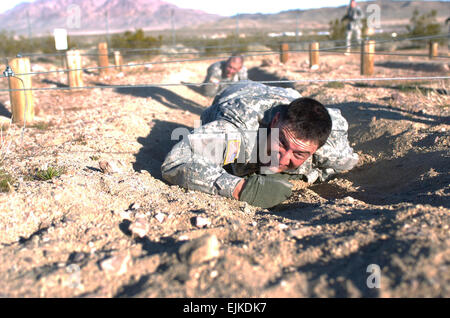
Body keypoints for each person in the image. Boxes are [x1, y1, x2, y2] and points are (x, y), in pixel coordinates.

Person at [161, 82, 359, 208]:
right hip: (238, 91)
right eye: (281, 142)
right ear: (274, 123)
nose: (282, 158)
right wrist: (241, 188)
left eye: (299, 154)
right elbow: (176, 162)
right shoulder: (239, 128)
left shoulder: (333, 146)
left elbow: (348, 162)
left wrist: (311, 174)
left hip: (287, 94)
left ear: (316, 149)